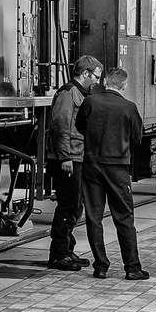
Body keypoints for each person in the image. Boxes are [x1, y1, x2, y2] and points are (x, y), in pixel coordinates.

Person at [76, 67, 149, 280]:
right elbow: (137, 137)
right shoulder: (129, 107)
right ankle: (132, 268)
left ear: (105, 82)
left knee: (94, 217)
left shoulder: (90, 102)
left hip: (92, 165)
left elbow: (80, 126)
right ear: (124, 85)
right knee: (124, 217)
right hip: (117, 168)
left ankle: (100, 266)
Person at [46, 56, 100, 271]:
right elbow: (60, 125)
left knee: (75, 205)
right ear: (85, 73)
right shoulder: (68, 93)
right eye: (95, 76)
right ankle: (58, 254)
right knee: (68, 205)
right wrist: (65, 157)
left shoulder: (80, 93)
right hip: (68, 159)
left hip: (77, 156)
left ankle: (67, 250)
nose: (97, 81)